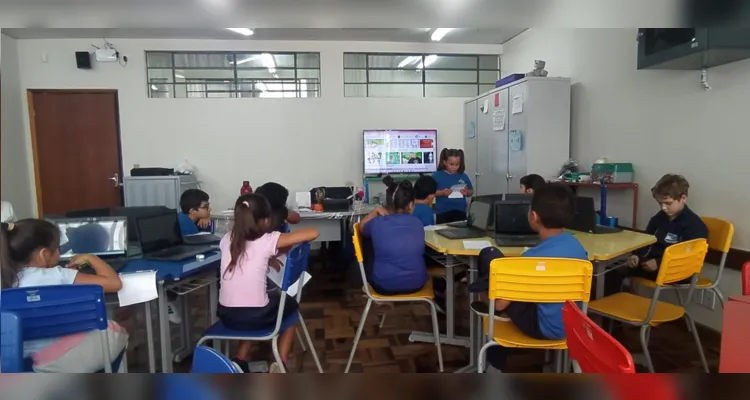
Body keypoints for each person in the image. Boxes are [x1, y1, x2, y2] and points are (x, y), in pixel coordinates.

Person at [467, 184, 587, 372]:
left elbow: (500, 304)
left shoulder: (531, 259)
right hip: (573, 329)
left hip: (540, 327)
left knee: (491, 257)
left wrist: (489, 297)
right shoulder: (579, 250)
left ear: (534, 217)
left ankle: (494, 365)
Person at [0, 219, 127, 373]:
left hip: (17, 364)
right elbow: (114, 283)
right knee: (116, 330)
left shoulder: (5, 280)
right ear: (44, 254)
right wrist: (90, 258)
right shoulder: (59, 275)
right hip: (58, 361)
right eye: (58, 248)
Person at [218, 194, 319, 373]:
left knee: (248, 307)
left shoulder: (227, 239)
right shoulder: (269, 239)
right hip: (257, 316)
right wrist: (271, 253)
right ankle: (280, 363)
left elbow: (247, 255)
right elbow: (313, 233)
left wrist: (269, 258)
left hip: (226, 314)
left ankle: (239, 360)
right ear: (265, 220)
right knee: (290, 308)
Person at [627, 174, 707, 280]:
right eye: (660, 203)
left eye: (668, 203)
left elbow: (687, 257)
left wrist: (659, 263)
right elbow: (646, 240)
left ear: (683, 198)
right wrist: (636, 256)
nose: (663, 208)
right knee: (612, 271)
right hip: (651, 264)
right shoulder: (658, 218)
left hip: (677, 270)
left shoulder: (695, 225)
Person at [360, 178, 427, 295]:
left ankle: (367, 283)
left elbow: (361, 228)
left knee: (368, 239)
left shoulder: (378, 223)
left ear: (387, 204)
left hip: (384, 286)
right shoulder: (418, 223)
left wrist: (376, 211)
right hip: (416, 284)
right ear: (411, 205)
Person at [432, 148, 474, 224]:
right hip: (443, 212)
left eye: (457, 164)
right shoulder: (437, 176)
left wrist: (467, 192)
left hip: (460, 212)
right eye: (451, 164)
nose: (454, 167)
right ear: (445, 162)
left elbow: (471, 191)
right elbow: (430, 193)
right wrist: (442, 193)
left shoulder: (463, 176)